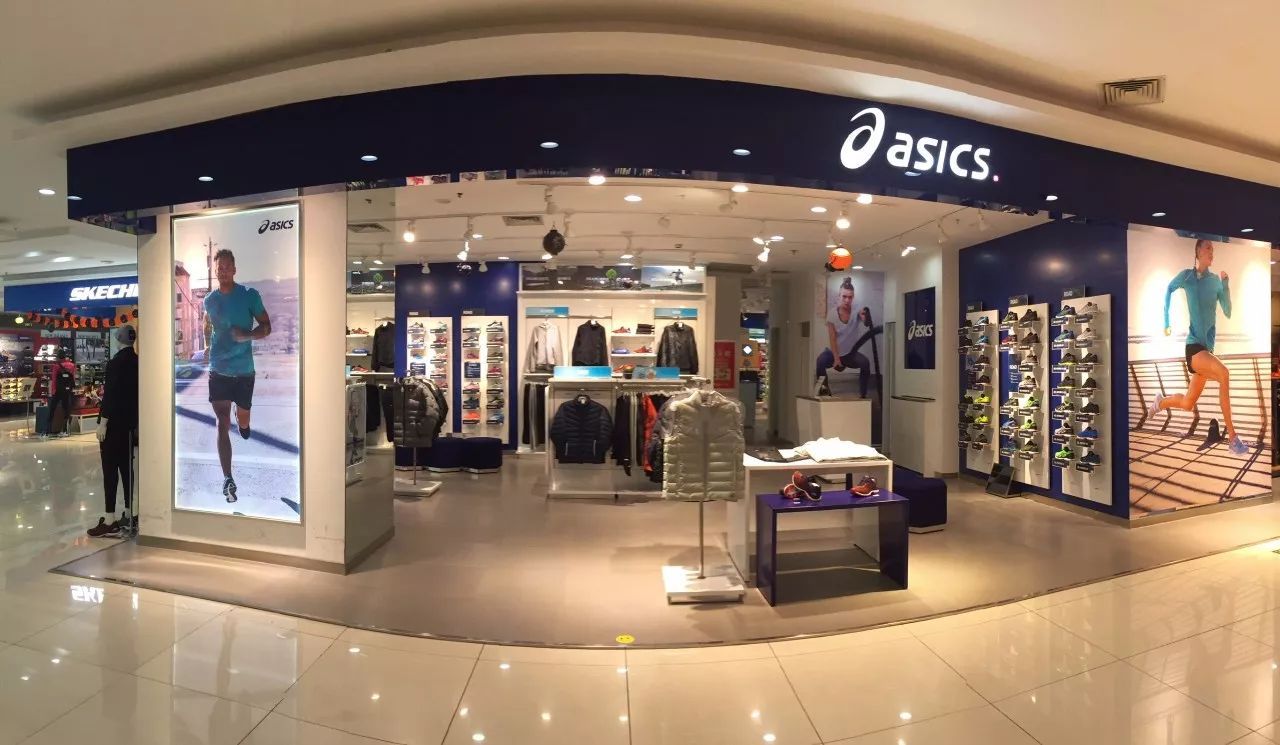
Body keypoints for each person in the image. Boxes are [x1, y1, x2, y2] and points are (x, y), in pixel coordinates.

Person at [1148, 239, 1248, 455]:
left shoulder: (1215, 281)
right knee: (1224, 374)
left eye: (1213, 248)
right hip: (1194, 347)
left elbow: (1228, 311)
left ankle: (1160, 402)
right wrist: (1166, 322)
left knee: (1187, 403)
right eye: (1208, 247)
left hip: (1207, 350)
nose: (1212, 251)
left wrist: (1226, 285)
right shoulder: (1187, 276)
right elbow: (1169, 289)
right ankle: (1233, 438)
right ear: (1197, 251)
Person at [204, 248, 272, 502]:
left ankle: (243, 421)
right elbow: (207, 324)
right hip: (218, 370)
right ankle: (228, 478)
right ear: (215, 271)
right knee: (222, 423)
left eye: (226, 267)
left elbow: (267, 326)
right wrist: (207, 344)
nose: (222, 271)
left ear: (234, 269)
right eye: (218, 268)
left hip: (243, 371)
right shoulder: (209, 300)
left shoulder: (249, 296)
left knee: (242, 422)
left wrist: (248, 335)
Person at [88, 325, 139, 537]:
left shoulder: (116, 363)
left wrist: (103, 422)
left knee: (110, 471)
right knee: (128, 470)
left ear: (118, 339)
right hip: (130, 426)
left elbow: (110, 395)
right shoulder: (138, 362)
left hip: (113, 426)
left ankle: (109, 519)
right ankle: (129, 512)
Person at [816, 277, 873, 397]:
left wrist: (864, 317)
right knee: (820, 361)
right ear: (839, 296)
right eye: (844, 297)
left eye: (850, 297)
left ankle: (863, 396)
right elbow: (832, 338)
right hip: (833, 353)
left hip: (850, 354)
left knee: (865, 363)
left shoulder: (856, 310)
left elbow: (865, 321)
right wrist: (836, 358)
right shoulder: (832, 314)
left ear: (853, 297)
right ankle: (825, 393)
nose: (847, 300)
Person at [47, 347, 76, 436]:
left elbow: (54, 380)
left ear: (58, 357)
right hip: (67, 391)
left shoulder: (56, 366)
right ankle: (65, 430)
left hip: (58, 391)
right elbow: (73, 378)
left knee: (52, 409)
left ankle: (47, 431)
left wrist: (53, 392)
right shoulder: (72, 365)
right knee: (66, 410)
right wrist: (71, 388)